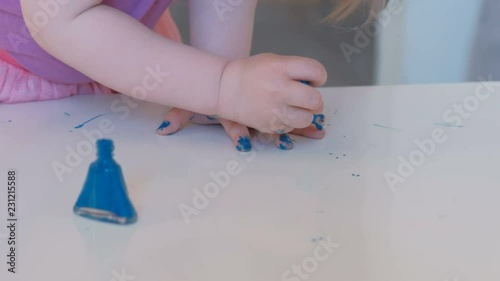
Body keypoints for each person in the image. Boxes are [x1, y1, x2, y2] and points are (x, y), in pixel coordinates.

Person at [0, 0, 386, 151]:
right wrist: (224, 85)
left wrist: (225, 96)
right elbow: (60, 18)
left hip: (124, 57)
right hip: (15, 74)